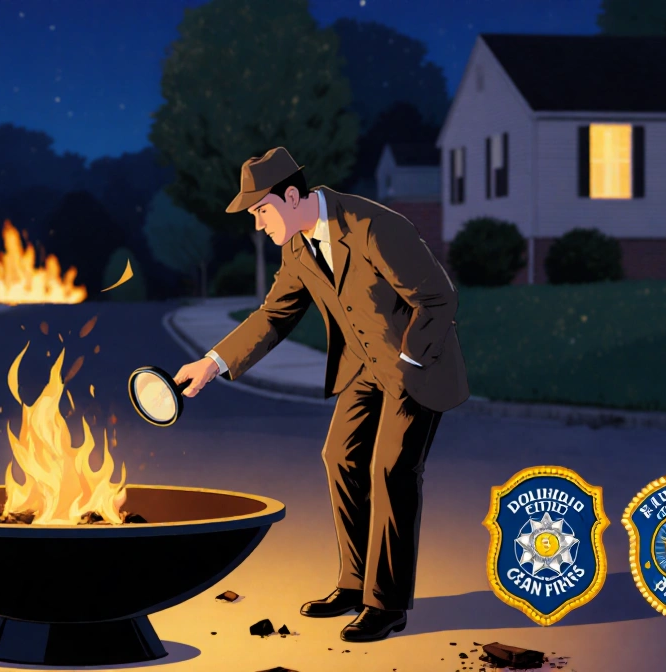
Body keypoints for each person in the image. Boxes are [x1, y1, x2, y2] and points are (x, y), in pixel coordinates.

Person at [174, 147, 469, 642]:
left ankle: (387, 603)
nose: (257, 224)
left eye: (261, 211)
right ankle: (355, 584)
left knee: (392, 470)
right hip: (364, 370)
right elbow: (273, 316)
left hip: (415, 367)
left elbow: (437, 297)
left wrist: (410, 361)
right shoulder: (297, 247)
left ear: (291, 196)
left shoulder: (374, 226)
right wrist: (213, 362)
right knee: (340, 457)